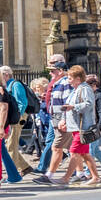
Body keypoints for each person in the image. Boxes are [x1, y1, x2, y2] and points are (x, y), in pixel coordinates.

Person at [33, 55, 73, 183]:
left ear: (60, 71)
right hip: (55, 120)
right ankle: (82, 173)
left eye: (52, 70)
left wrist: (64, 119)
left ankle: (48, 175)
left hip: (61, 120)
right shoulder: (58, 82)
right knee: (74, 149)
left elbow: (67, 103)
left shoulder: (65, 82)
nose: (49, 73)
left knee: (57, 147)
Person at [61, 65, 101, 186]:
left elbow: (89, 104)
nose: (68, 80)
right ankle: (95, 177)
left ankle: (65, 178)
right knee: (84, 154)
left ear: (78, 79)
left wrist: (74, 107)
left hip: (82, 127)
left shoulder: (85, 88)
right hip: (76, 127)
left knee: (74, 151)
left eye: (70, 78)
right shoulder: (76, 89)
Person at [0, 66, 34, 174]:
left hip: (17, 118)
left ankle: (13, 171)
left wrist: (16, 117)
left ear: (6, 75)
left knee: (10, 145)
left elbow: (22, 102)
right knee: (11, 144)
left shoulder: (15, 85)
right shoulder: (8, 85)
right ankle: (24, 167)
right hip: (13, 117)